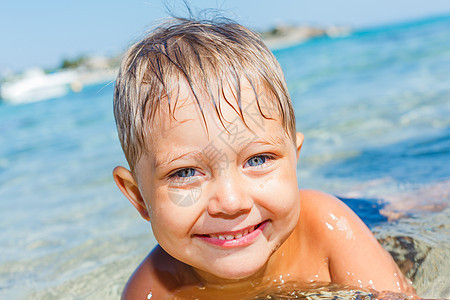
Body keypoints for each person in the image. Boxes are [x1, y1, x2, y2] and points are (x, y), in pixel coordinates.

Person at [112, 16, 415, 299]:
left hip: (369, 220)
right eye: (186, 173)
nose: (231, 203)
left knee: (406, 208)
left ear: (294, 160)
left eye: (257, 160)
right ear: (138, 197)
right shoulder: (152, 290)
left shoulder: (328, 229)